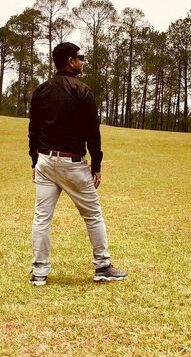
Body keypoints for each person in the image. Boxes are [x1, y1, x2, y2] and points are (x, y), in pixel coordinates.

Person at [28, 42, 127, 286]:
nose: (83, 61)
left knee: (42, 218)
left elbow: (33, 130)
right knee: (93, 215)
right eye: (80, 58)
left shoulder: (41, 91)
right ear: (70, 61)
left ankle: (39, 273)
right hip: (72, 163)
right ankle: (103, 266)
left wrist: (34, 161)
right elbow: (92, 132)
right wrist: (96, 165)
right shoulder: (83, 91)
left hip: (45, 161)